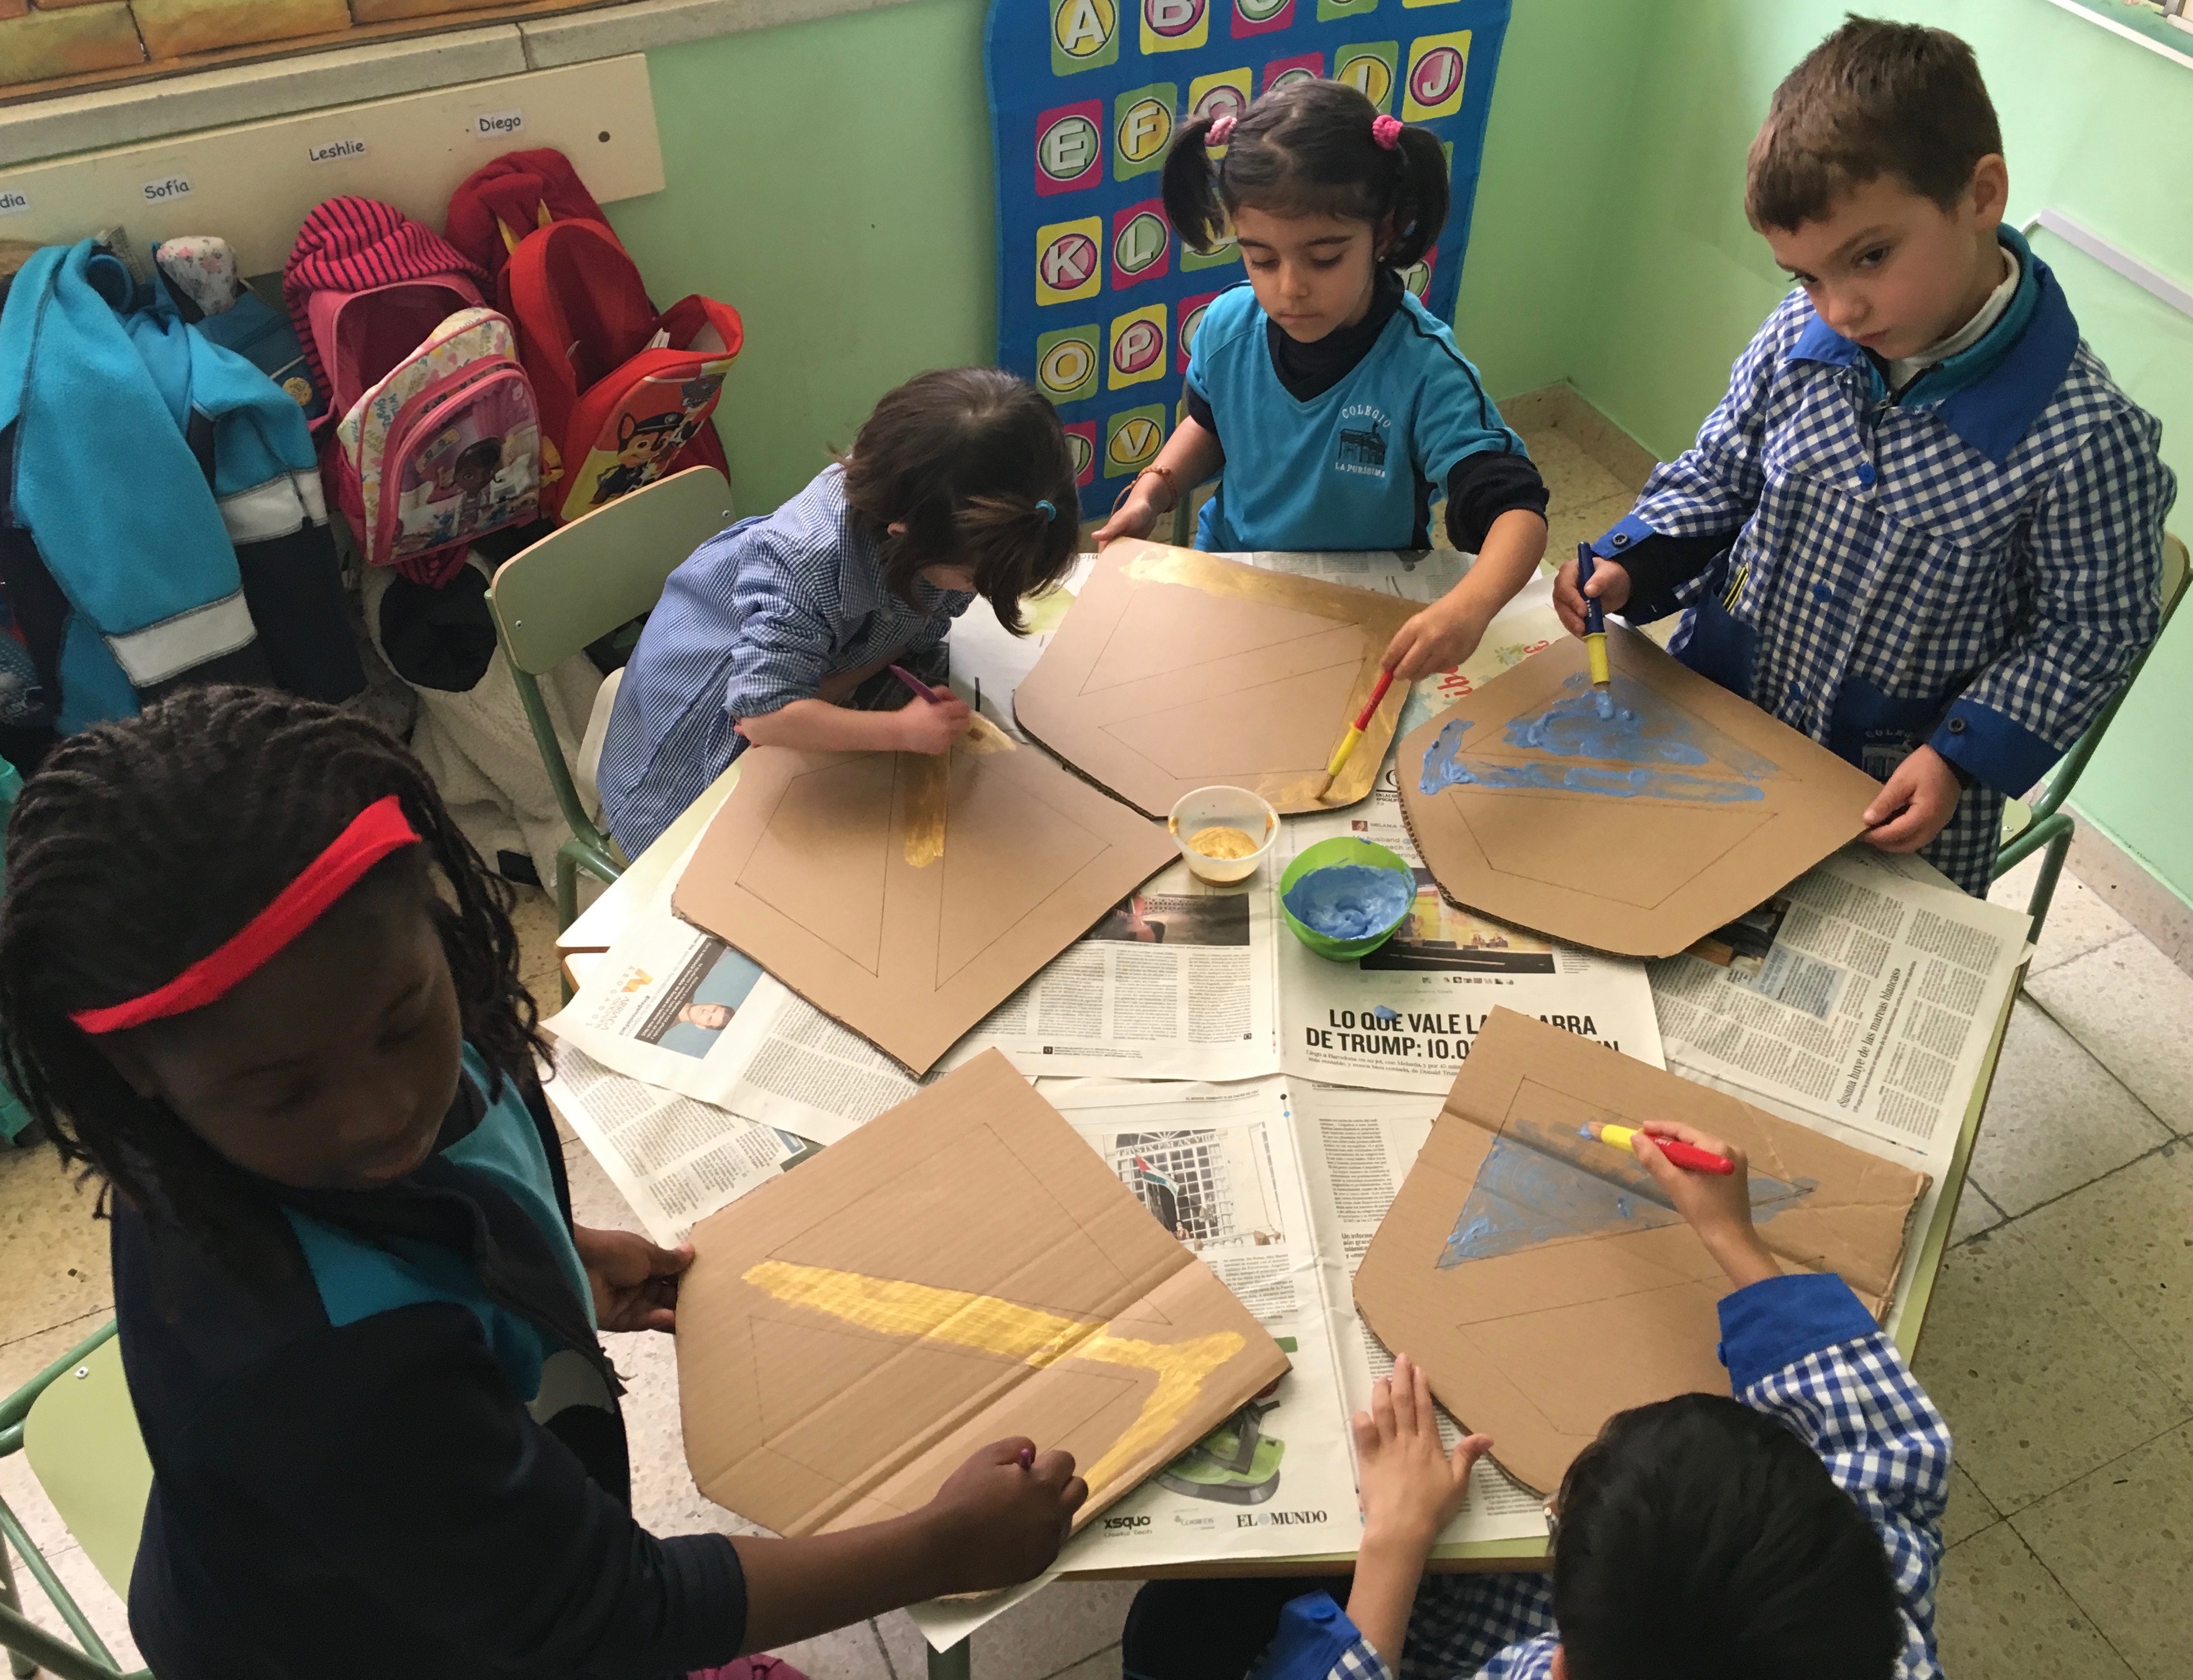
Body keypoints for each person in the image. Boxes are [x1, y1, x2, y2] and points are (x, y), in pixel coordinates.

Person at [0, 686, 1088, 1680]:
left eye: (404, 1024)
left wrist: (543, 1258)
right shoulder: (328, 1373)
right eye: (284, 1093)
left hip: (470, 1550)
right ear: (136, 1076)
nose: (383, 1110)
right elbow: (608, 1614)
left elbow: (449, 1183)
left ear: (437, 918)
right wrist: (940, 1547)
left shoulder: (382, 1013)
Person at [1555, 17, 2174, 895]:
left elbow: (2091, 632)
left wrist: (1958, 756)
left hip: (1890, 801)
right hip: (1720, 729)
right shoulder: (1799, 335)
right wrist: (1634, 558)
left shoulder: (2087, 438)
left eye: (1872, 257)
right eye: (1807, 276)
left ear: (1981, 195)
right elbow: (1722, 472)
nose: (1840, 309)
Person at [1121, 1117, 1948, 1680]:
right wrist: (1733, 1235)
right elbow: (1875, 1437)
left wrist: (1395, 1539)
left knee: (1172, 1627)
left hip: (1437, 1625)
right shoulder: (1872, 1622)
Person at [1093, 79, 1550, 683]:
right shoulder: (1227, 327)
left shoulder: (1425, 368)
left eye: (1325, 258)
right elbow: (1211, 425)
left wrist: (1469, 607)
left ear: (1383, 234)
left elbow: (1517, 511)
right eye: (1261, 259)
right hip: (1234, 575)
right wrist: (1154, 491)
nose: (1290, 288)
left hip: (1362, 603)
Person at [599, 367, 1082, 857]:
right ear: (905, 539)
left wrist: (836, 689)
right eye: (973, 582)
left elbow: (916, 624)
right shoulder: (803, 560)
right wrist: (901, 731)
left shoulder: (937, 507)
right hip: (685, 760)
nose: (976, 595)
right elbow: (762, 719)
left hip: (806, 685)